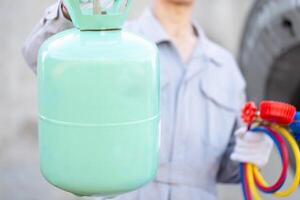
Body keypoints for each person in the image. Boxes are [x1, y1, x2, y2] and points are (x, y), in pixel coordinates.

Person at [22, 0, 274, 199]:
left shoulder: (224, 67)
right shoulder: (104, 41)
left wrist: (252, 150)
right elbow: (38, 57)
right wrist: (70, 10)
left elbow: (228, 171)